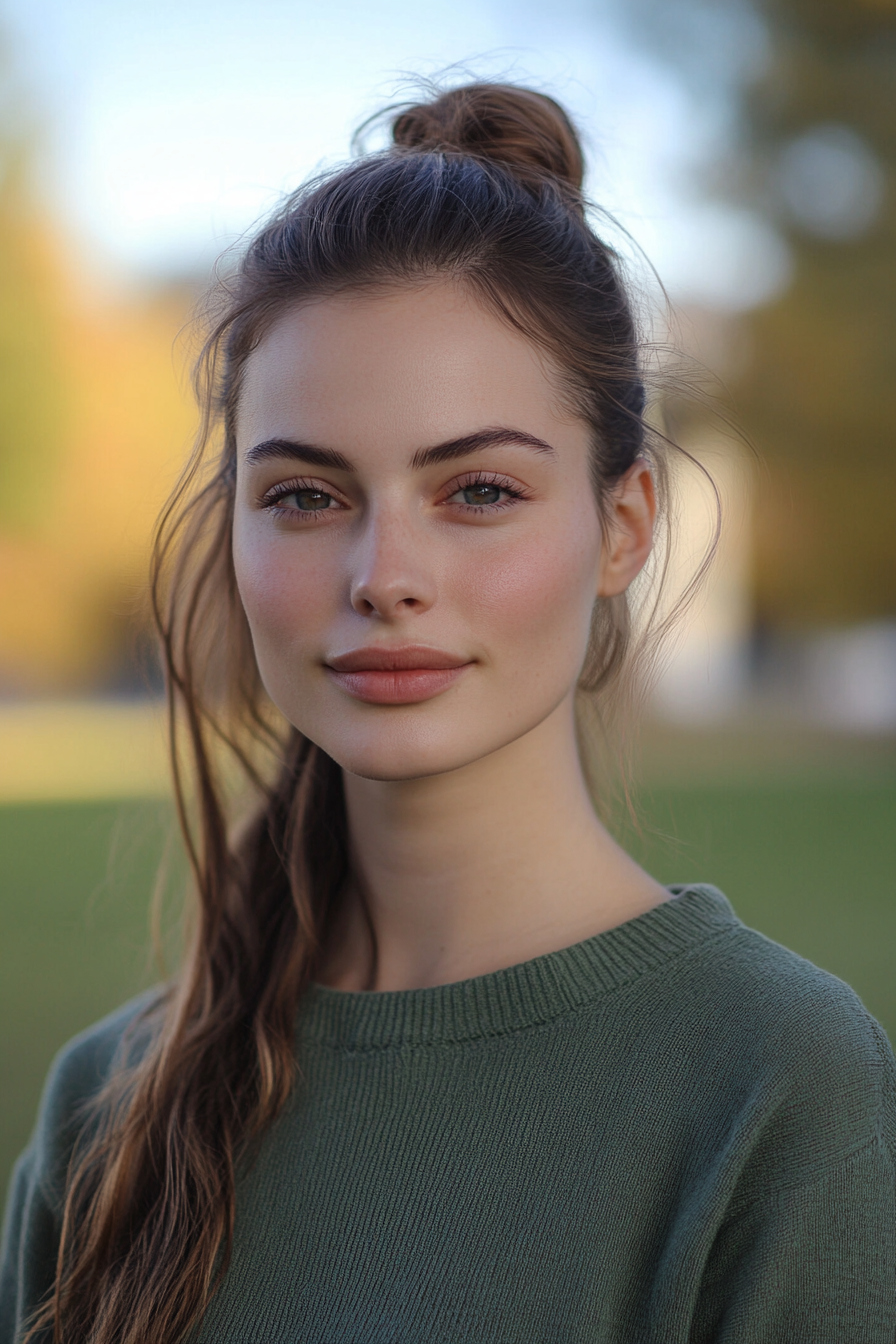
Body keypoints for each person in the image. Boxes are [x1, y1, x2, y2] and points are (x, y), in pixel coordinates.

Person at [1, 81, 894, 1344]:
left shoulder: (769, 1086)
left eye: (475, 489)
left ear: (621, 526)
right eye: (306, 497)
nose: (382, 575)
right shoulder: (110, 1105)